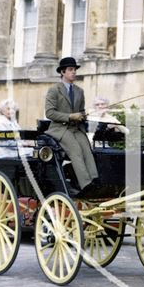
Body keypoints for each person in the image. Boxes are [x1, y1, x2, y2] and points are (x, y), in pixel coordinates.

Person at [45, 57, 98, 194]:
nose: (73, 72)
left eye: (74, 70)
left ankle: (94, 180)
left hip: (76, 128)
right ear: (63, 72)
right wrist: (69, 116)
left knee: (87, 149)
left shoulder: (79, 91)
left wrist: (83, 115)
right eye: (70, 70)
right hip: (59, 129)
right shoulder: (54, 90)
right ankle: (85, 184)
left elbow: (81, 110)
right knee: (75, 149)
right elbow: (50, 113)